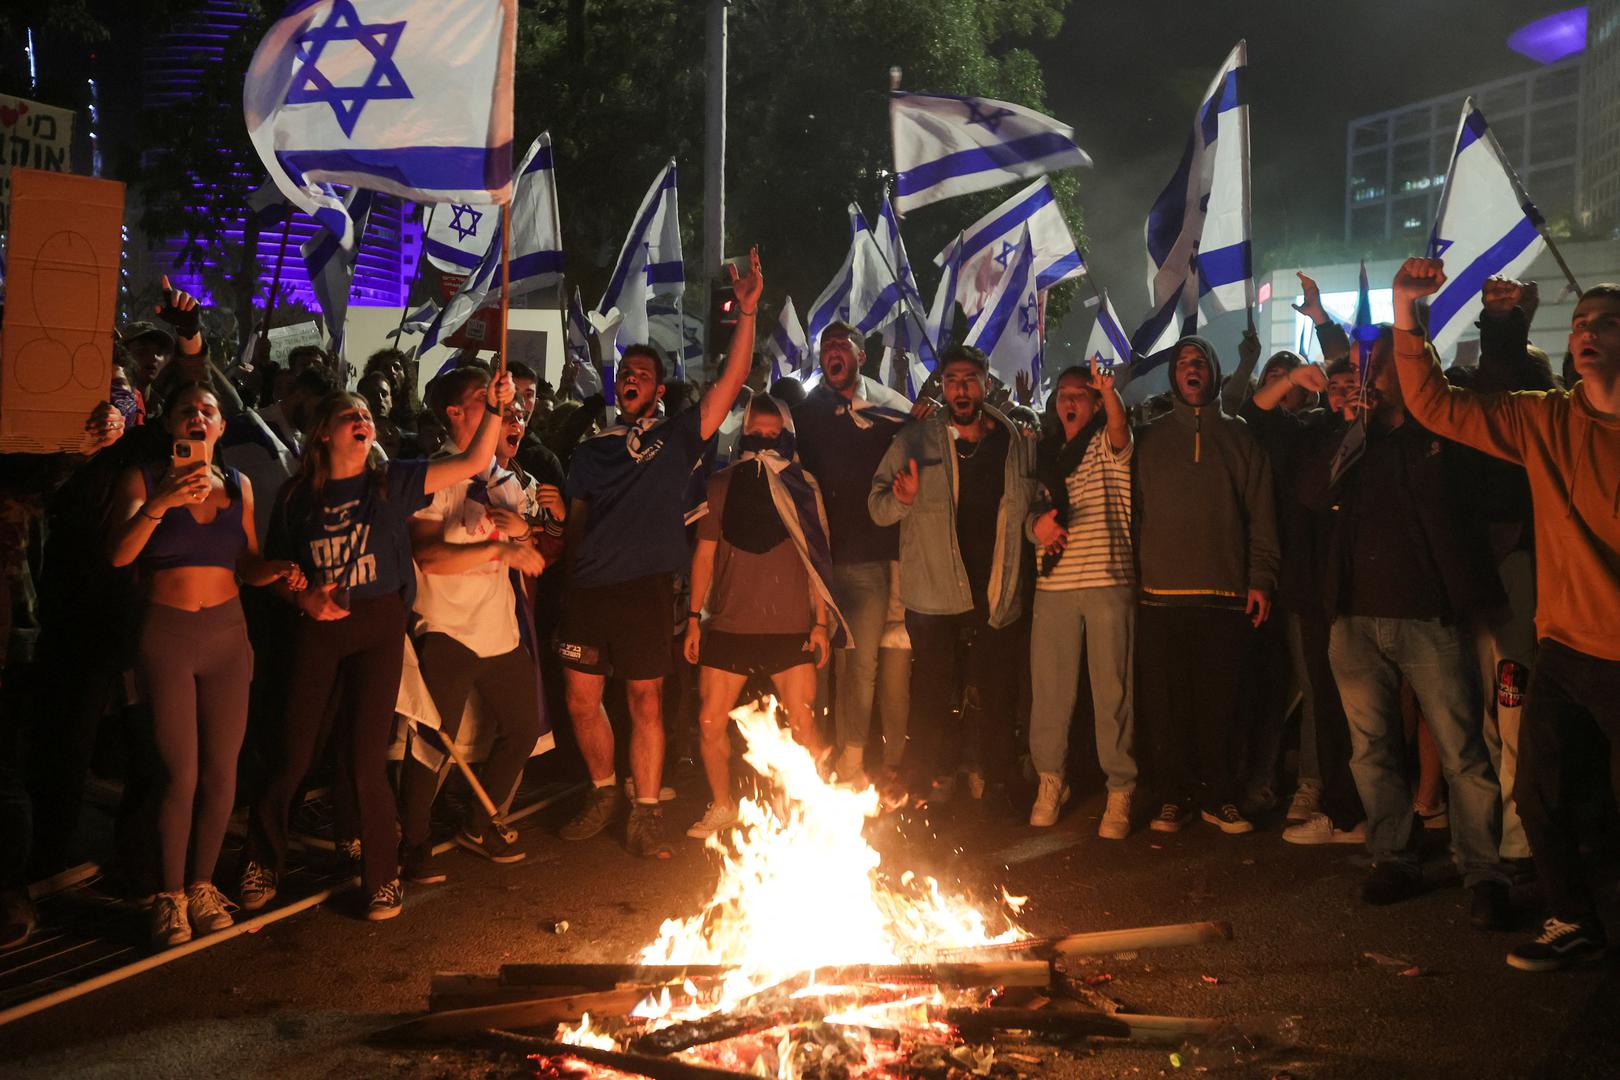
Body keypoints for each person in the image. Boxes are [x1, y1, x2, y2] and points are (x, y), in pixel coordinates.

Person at [1390, 258, 1620, 970]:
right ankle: (1573, 919)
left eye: (1606, 323)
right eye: (1580, 323)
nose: (1587, 334)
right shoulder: (1544, 417)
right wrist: (1406, 312)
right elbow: (1436, 405)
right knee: (1539, 793)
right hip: (1565, 647)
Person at [239, 372, 515, 921]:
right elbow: (271, 571)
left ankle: (382, 878)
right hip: (318, 629)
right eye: (350, 415)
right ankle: (262, 861)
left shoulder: (391, 481)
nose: (364, 421)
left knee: (366, 758)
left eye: (367, 415)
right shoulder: (297, 497)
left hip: (379, 626)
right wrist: (301, 598)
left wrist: (498, 408)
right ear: (323, 434)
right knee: (293, 751)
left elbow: (470, 461)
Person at [1297, 323, 1511, 928]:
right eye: (1363, 363)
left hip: (1427, 614)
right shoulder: (1353, 437)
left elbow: (1463, 501)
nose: (1367, 374)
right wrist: (1353, 429)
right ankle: (1393, 855)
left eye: (1379, 363)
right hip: (1354, 618)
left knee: (1462, 750)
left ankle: (1483, 871)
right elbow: (1312, 494)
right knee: (1371, 750)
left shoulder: (1438, 432)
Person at [556, 249, 763, 858]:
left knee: (645, 699)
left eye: (643, 372)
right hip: (586, 593)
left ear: (659, 387)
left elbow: (729, 385)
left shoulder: (677, 439)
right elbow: (574, 523)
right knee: (580, 699)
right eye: (626, 371)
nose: (631, 377)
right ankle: (602, 790)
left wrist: (746, 315)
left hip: (645, 589)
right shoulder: (590, 448)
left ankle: (645, 810)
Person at [105, 384, 305, 946]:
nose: (198, 416)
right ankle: (168, 898)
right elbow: (119, 554)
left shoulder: (238, 486)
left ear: (221, 428)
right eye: (188, 410)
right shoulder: (144, 480)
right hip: (166, 635)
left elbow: (245, 560)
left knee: (223, 772)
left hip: (227, 635)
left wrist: (276, 570)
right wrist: (160, 504)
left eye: (209, 411)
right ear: (172, 425)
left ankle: (200, 885)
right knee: (181, 774)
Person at [398, 367, 549, 884]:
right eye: (480, 400)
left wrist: (523, 530)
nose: (494, 408)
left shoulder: (504, 479)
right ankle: (411, 841)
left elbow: (529, 546)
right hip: (446, 628)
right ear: (454, 414)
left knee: (524, 726)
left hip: (498, 630)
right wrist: (498, 546)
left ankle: (481, 821)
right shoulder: (434, 475)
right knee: (432, 742)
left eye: (495, 399)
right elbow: (429, 556)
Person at [870, 345, 1036, 807]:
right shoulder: (916, 442)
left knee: (996, 692)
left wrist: (1039, 524)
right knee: (932, 696)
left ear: (986, 382)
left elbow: (1028, 504)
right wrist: (902, 498)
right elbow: (877, 508)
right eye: (952, 380)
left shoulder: (1011, 440)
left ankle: (995, 780)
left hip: (994, 589)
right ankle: (928, 786)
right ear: (941, 386)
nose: (960, 389)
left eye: (969, 379)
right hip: (933, 594)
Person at [1134, 334, 1279, 836]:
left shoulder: (1241, 439)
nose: (1191, 368)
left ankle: (1220, 797)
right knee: (1166, 705)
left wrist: (1261, 578)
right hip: (1158, 596)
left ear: (1214, 372)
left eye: (1200, 360)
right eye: (1182, 362)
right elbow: (1131, 517)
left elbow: (1262, 516)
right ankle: (1170, 797)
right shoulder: (1148, 440)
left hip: (1224, 595)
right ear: (1173, 375)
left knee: (1221, 706)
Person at [682, 396, 838, 837]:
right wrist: (694, 618)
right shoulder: (721, 485)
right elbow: (704, 557)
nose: (766, 441)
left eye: (775, 433)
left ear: (788, 434)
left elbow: (817, 562)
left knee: (805, 722)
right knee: (710, 721)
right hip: (731, 625)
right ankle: (722, 804)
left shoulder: (803, 487)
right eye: (759, 432)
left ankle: (815, 809)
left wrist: (820, 623)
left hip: (790, 628)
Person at [793, 322, 924, 786]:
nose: (832, 352)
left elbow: (921, 456)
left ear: (860, 357)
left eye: (840, 346)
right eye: (826, 347)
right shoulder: (805, 415)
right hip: (819, 564)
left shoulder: (892, 409)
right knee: (822, 663)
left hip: (871, 558)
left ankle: (850, 761)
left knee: (863, 665)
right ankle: (817, 755)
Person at [1026, 359, 1136, 836]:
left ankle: (1120, 790)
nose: (1069, 402)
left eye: (1080, 394)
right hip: (1053, 587)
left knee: (1113, 691)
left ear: (1092, 403)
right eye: (1063, 395)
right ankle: (1051, 780)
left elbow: (1118, 427)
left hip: (1108, 580)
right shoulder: (1044, 454)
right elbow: (1031, 515)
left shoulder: (1107, 444)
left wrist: (1110, 394)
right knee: (1049, 694)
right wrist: (1038, 529)